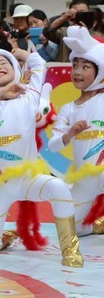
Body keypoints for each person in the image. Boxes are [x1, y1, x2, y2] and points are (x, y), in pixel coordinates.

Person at [0, 25, 83, 266]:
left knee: (60, 188)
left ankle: (71, 251)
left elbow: (39, 64)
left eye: (3, 63)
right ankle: (5, 237)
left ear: (15, 69)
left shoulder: (29, 96)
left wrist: (18, 52)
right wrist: (0, 93)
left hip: (29, 180)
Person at [47, 27, 104, 236]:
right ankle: (99, 225)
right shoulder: (68, 109)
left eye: (85, 66)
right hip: (83, 179)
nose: (77, 72)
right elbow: (53, 146)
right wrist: (69, 134)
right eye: (75, 65)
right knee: (72, 230)